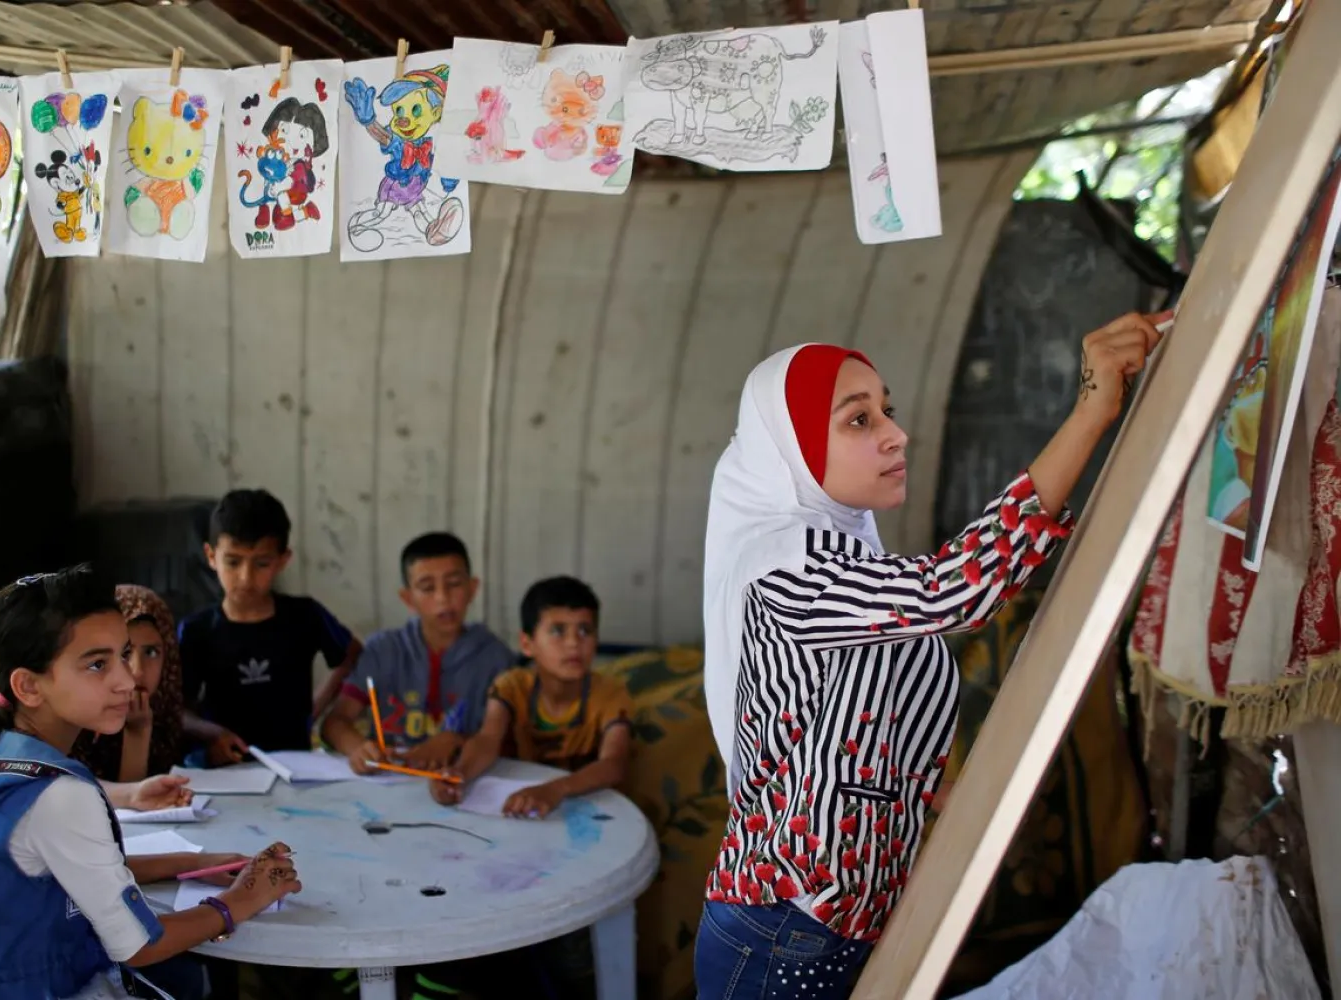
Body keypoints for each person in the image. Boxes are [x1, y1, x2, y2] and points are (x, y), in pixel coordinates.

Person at [695, 312, 1167, 998]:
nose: (896, 434)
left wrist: (932, 795)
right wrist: (1092, 410)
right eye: (858, 421)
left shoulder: (838, 556)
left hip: (826, 920)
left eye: (887, 410)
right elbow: (955, 591)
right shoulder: (785, 568)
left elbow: (848, 722)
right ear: (789, 446)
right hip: (783, 932)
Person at [0, 566, 302, 1000]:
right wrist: (241, 900)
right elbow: (140, 945)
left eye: (124, 654)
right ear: (29, 687)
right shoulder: (60, 794)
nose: (127, 680)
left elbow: (60, 864)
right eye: (96, 665)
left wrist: (193, 861)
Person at [180, 489, 361, 763]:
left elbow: (351, 654)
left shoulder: (305, 615)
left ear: (282, 560)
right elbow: (178, 709)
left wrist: (313, 709)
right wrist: (211, 734)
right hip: (225, 769)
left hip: (295, 763)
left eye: (261, 563)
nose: (245, 577)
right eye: (233, 562)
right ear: (210, 556)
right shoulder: (197, 630)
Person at [431, 576, 633, 818]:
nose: (573, 643)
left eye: (584, 630)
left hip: (594, 813)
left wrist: (554, 790)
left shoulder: (611, 695)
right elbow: (487, 740)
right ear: (527, 644)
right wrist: (458, 774)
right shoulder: (512, 686)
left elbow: (614, 764)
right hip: (527, 808)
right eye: (558, 631)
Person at [323, 532, 515, 774]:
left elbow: (504, 742)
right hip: (390, 778)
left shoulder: (495, 657)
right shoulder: (384, 650)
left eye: (454, 584)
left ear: (472, 588)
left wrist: (457, 742)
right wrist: (359, 749)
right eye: (427, 588)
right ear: (408, 598)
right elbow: (335, 722)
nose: (443, 599)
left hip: (462, 779)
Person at [74, 586, 186, 783]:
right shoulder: (74, 720)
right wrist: (138, 732)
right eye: (125, 653)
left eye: (151, 652)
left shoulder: (163, 709)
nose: (138, 671)